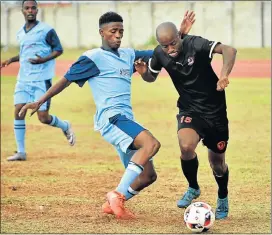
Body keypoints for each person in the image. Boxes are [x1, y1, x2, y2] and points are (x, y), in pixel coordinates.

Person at [18, 12, 195, 219]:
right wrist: (40, 101)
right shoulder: (93, 58)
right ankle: (117, 195)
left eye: (121, 31)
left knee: (148, 176)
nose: (118, 35)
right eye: (113, 31)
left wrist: (180, 34)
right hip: (111, 119)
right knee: (151, 144)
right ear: (101, 33)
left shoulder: (129, 55)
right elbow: (65, 80)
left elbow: (160, 53)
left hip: (125, 121)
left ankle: (112, 205)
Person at [134, 22, 237, 220]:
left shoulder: (195, 44)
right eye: (165, 46)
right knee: (186, 145)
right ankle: (193, 187)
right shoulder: (159, 53)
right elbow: (151, 78)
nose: (170, 49)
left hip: (215, 112)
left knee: (217, 163)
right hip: (189, 109)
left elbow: (229, 50)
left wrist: (224, 74)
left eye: (173, 43)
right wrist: (143, 73)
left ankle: (222, 195)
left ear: (180, 36)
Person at [0, 0, 75, 161]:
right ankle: (21, 152)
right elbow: (25, 53)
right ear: (22, 10)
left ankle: (65, 126)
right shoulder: (20, 32)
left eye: (33, 8)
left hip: (42, 79)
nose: (30, 10)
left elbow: (58, 50)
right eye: (27, 8)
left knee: (43, 118)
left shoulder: (46, 30)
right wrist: (10, 60)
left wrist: (44, 59)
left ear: (37, 10)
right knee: (19, 110)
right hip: (23, 79)